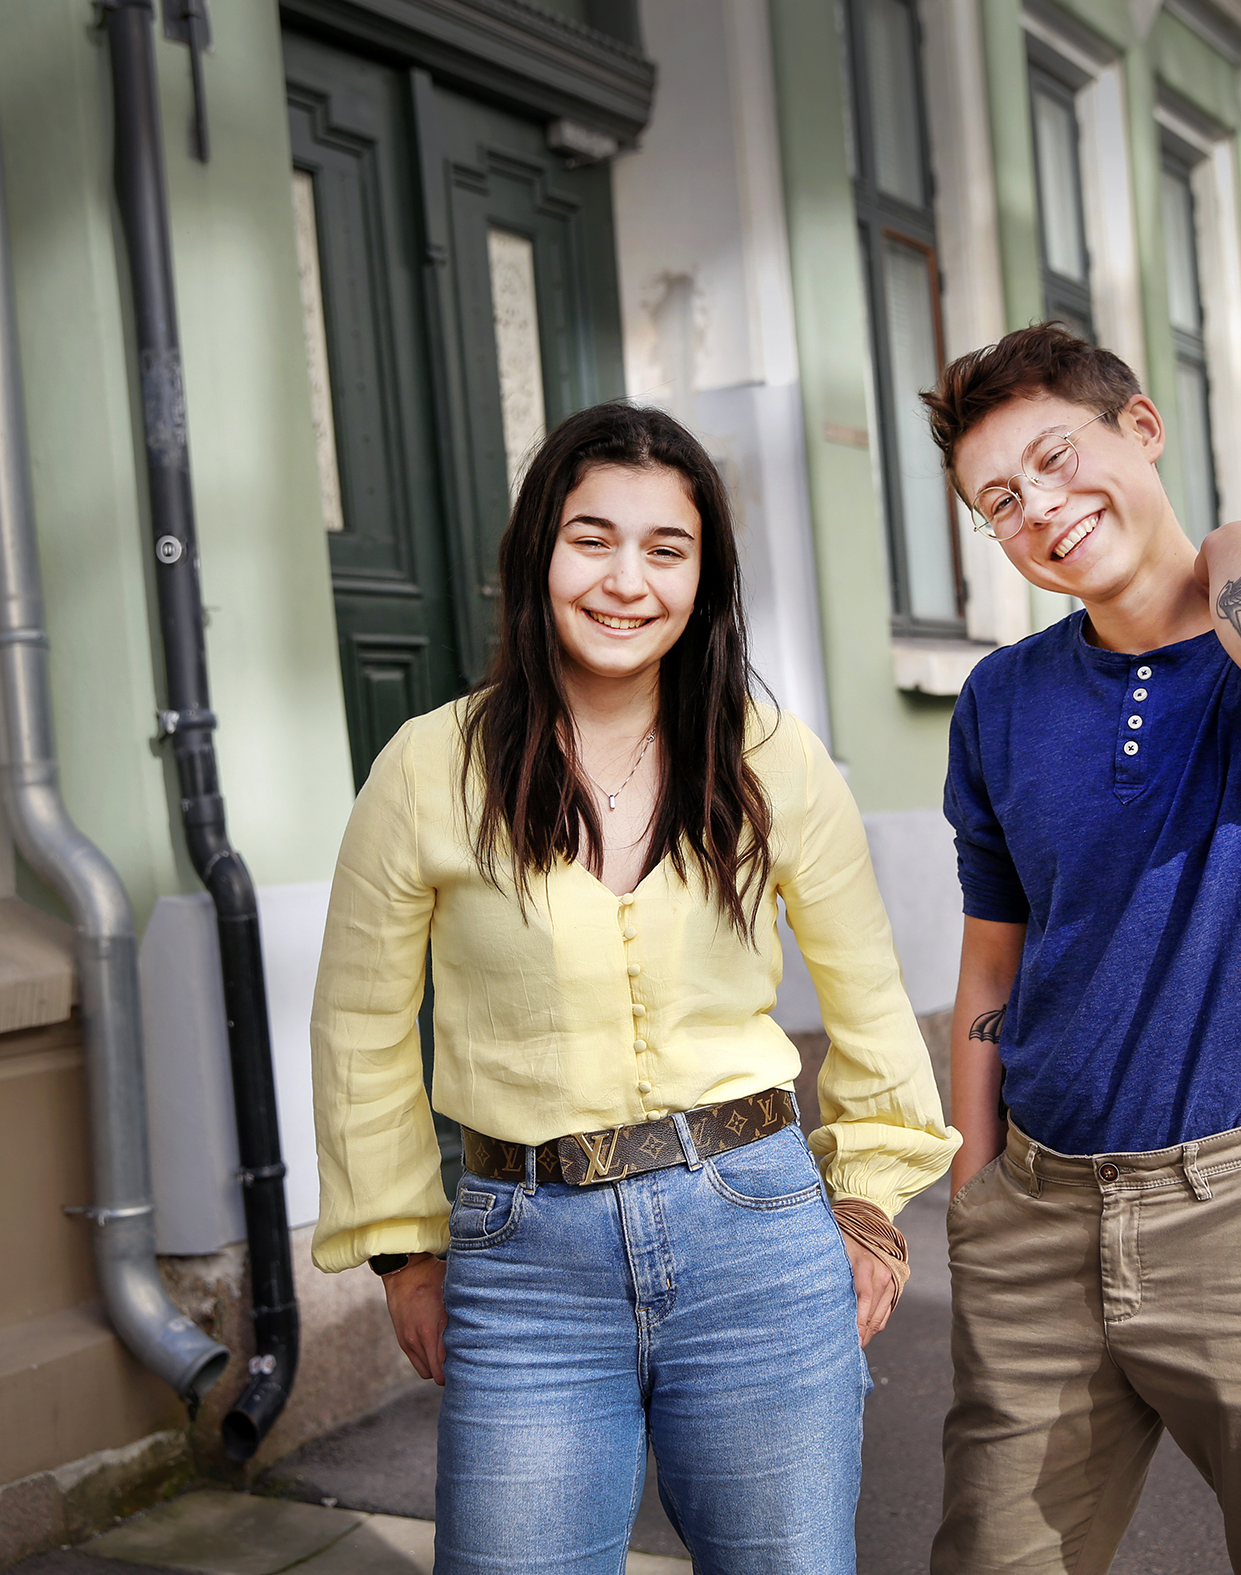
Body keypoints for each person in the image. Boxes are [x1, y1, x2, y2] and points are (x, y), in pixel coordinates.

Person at [308, 401, 958, 1575]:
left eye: (667, 549)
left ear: (703, 579)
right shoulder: (425, 768)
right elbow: (357, 1026)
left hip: (756, 1234)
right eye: (590, 537)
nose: (626, 580)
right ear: (536, 556)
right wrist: (403, 1252)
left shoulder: (769, 754)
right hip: (523, 1266)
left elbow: (870, 990)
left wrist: (868, 1198)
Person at [922, 324, 1241, 1575]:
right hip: (1037, 1211)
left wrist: (1227, 536)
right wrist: (976, 1196)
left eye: (1057, 458)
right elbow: (994, 958)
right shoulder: (1002, 699)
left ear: (1142, 428)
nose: (1040, 511)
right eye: (1001, 501)